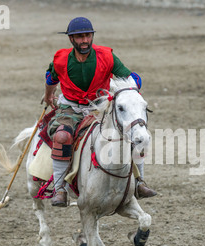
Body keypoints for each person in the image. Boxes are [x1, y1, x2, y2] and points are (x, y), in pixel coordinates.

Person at [43, 17, 156, 207]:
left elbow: (130, 77)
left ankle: (140, 182)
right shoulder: (61, 59)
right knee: (62, 136)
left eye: (87, 36)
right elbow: (50, 78)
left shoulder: (107, 56)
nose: (84, 40)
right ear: (71, 39)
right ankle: (59, 188)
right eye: (79, 37)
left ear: (92, 36)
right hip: (70, 107)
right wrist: (48, 95)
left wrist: (131, 91)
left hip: (101, 106)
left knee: (135, 132)